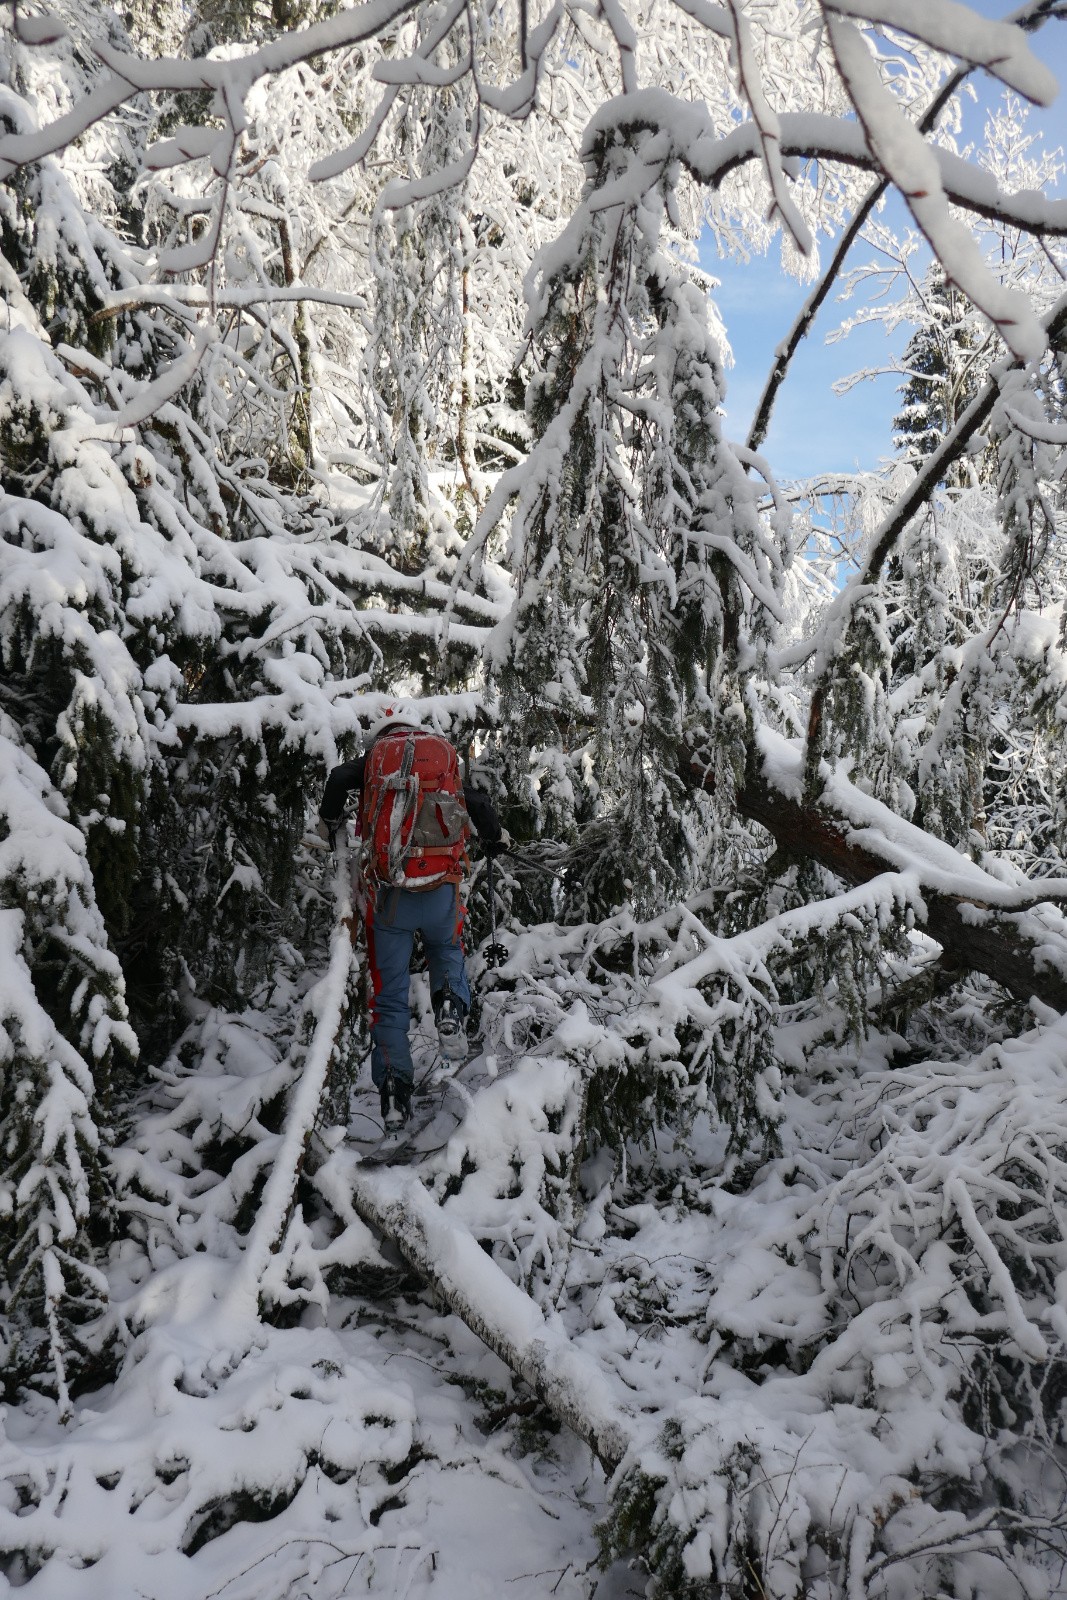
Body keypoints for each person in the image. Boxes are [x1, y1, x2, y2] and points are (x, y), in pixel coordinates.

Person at [318, 711, 506, 1131]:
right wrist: (493, 840)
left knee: (388, 996)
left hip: (391, 898)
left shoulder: (373, 760)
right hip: (441, 888)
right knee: (446, 949)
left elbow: (334, 781)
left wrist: (333, 823)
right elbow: (476, 803)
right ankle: (451, 1007)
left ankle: (393, 1095)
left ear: (382, 737)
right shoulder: (443, 757)